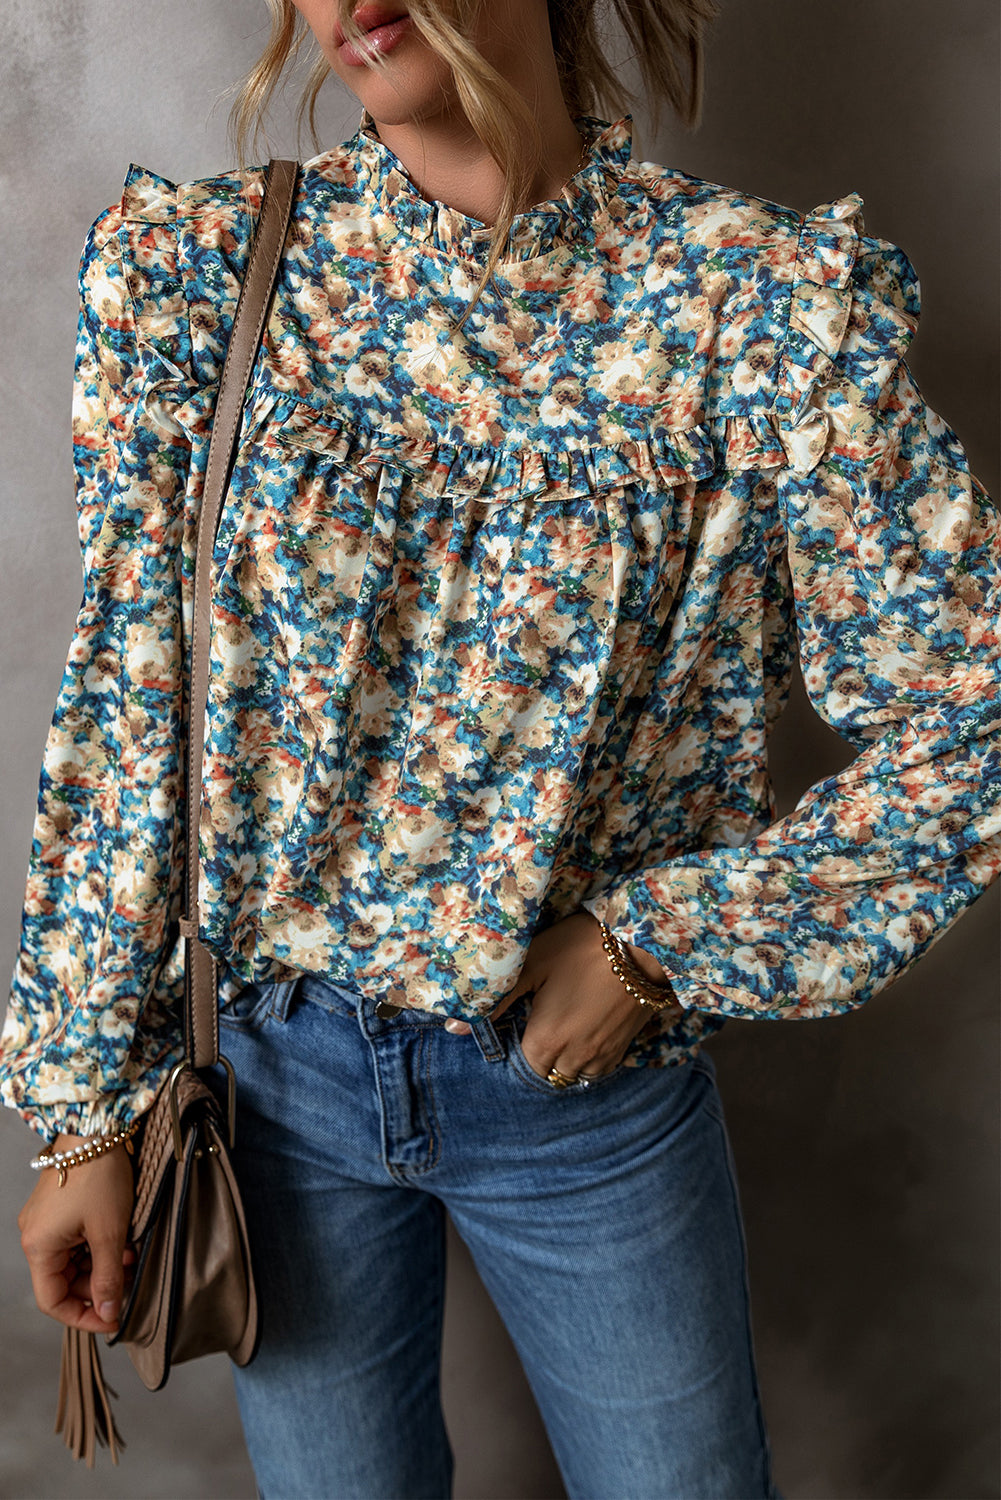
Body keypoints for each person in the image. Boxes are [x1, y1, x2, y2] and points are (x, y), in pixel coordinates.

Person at [3, 0, 998, 1496]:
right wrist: (83, 1113)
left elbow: (974, 698)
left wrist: (661, 941)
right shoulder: (198, 275)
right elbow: (131, 701)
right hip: (270, 1084)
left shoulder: (754, 306)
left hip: (580, 1100)